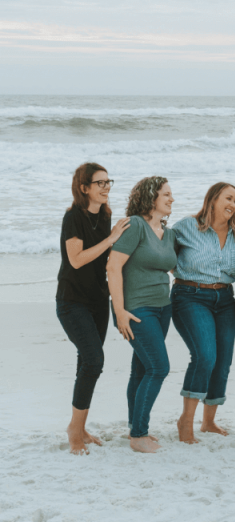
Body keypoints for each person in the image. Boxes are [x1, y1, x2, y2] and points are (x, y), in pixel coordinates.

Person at [57, 162, 130, 454]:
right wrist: (111, 239)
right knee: (94, 360)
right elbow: (76, 260)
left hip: (98, 301)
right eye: (100, 183)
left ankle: (80, 426)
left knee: (86, 364)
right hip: (72, 301)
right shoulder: (74, 217)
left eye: (108, 181)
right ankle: (75, 431)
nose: (106, 187)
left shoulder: (107, 216)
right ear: (84, 187)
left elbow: (110, 261)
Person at [107, 177, 177, 453]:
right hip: (136, 309)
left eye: (172, 195)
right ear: (150, 198)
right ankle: (139, 434)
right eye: (166, 194)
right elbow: (113, 267)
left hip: (163, 309)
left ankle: (135, 426)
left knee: (142, 368)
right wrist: (119, 311)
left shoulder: (168, 233)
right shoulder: (135, 225)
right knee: (159, 368)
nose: (172, 199)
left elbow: (173, 269)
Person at [171, 183, 235, 443]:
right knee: (205, 356)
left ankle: (209, 421)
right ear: (212, 199)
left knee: (222, 361)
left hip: (225, 299)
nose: (233, 204)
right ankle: (186, 422)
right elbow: (161, 252)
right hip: (190, 297)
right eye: (228, 198)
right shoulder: (186, 227)